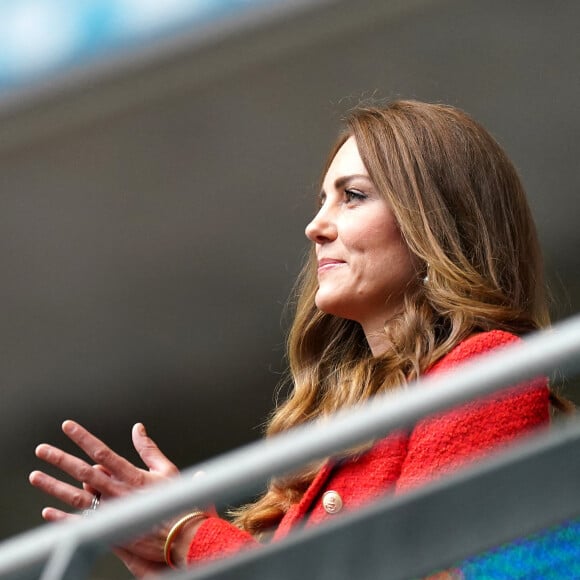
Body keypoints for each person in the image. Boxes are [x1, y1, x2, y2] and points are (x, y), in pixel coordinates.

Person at [29, 100, 558, 577]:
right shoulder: (341, 425)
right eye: (323, 199)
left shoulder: (485, 367)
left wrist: (190, 535)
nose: (315, 226)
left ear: (437, 221)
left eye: (352, 197)